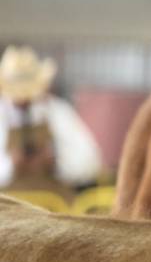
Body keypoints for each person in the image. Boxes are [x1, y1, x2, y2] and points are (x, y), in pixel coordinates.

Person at [0, 45, 102, 191]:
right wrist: (11, 166)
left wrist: (55, 163)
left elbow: (90, 163)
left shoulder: (59, 112)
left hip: (53, 205)